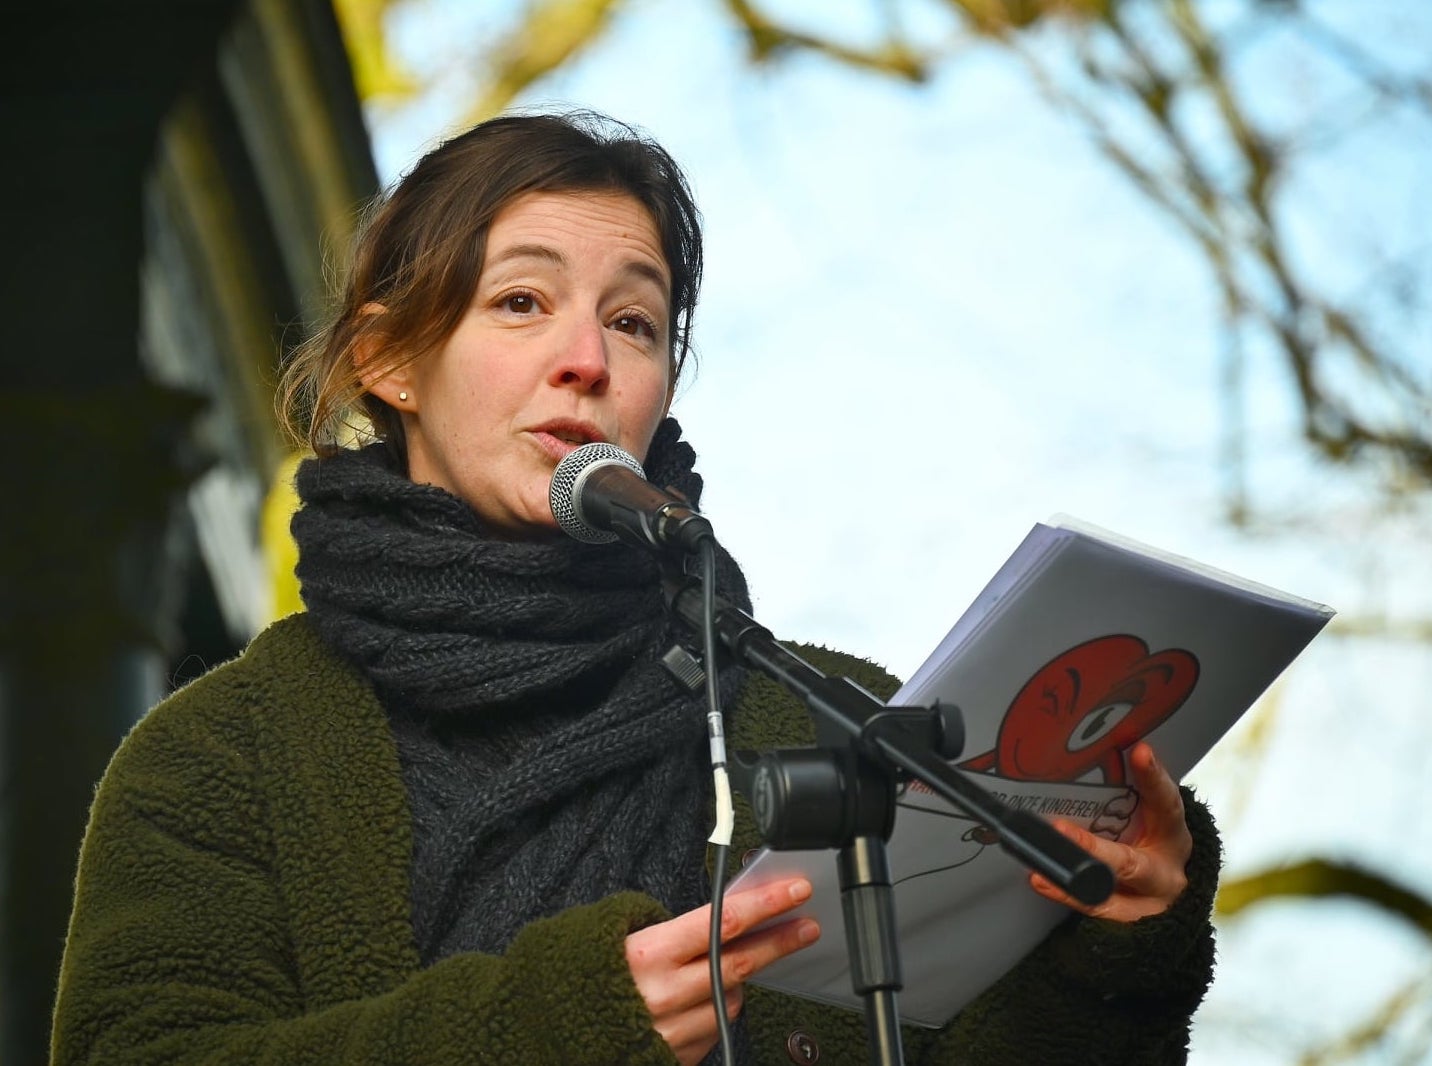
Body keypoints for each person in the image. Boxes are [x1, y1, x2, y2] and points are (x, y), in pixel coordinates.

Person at [50, 110, 1220, 1065]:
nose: (588, 360)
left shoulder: (844, 726)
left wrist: (1113, 951)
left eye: (634, 320)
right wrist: (559, 1028)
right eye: (522, 301)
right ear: (389, 358)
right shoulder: (221, 756)